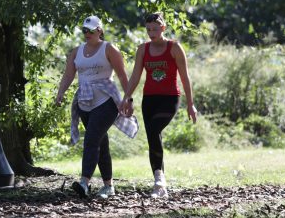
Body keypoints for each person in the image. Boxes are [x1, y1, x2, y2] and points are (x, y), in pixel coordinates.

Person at [120, 12, 197, 198]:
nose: (151, 32)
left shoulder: (174, 48)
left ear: (163, 28)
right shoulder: (143, 49)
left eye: (155, 29)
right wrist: (126, 97)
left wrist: (190, 104)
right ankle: (159, 183)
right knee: (153, 138)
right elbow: (136, 76)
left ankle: (159, 181)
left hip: (169, 99)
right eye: (148, 29)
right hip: (149, 100)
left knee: (154, 131)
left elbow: (185, 77)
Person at [55, 15, 130, 199]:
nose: (87, 33)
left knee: (91, 138)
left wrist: (128, 99)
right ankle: (108, 186)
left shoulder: (109, 48)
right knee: (100, 143)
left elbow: (122, 75)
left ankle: (84, 182)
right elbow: (68, 75)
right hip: (84, 102)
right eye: (84, 30)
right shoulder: (76, 51)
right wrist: (60, 93)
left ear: (99, 30)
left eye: (90, 30)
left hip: (107, 101)